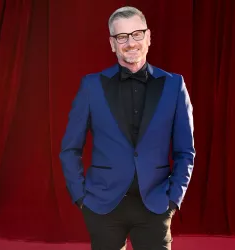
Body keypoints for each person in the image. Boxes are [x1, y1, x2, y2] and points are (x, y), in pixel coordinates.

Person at [59, 6, 195, 250]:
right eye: (122, 37)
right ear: (112, 43)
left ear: (148, 37)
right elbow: (70, 148)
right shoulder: (91, 86)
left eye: (137, 34)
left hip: (155, 205)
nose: (130, 43)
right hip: (103, 206)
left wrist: (174, 200)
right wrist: (81, 198)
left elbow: (186, 152)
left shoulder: (174, 85)